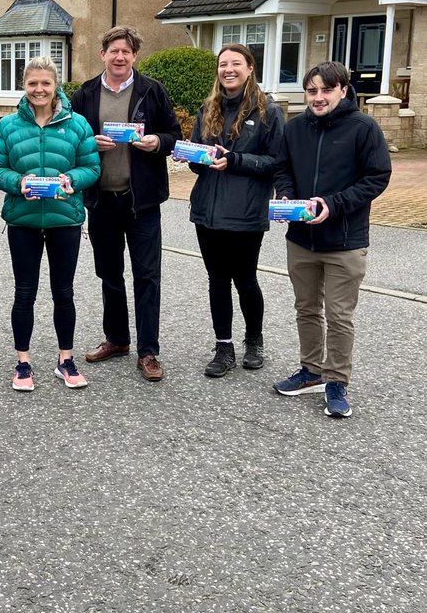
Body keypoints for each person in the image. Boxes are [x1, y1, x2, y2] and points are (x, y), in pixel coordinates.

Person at [272, 61, 391, 418]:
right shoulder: (295, 128)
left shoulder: (364, 127)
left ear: (343, 90)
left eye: (326, 90)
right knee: (306, 308)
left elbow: (377, 177)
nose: (318, 97)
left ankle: (337, 380)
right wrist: (287, 197)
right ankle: (311, 371)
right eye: (312, 91)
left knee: (339, 315)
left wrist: (333, 205)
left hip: (345, 240)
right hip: (302, 239)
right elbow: (283, 168)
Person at [70, 26, 181, 382]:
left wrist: (156, 141)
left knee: (147, 276)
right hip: (101, 199)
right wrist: (90, 145)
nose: (120, 57)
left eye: (127, 52)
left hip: (142, 201)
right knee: (109, 274)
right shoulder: (85, 94)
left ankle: (148, 351)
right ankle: (117, 339)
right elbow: (71, 139)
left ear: (135, 56)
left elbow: (174, 135)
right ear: (102, 54)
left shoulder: (152, 90)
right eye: (114, 50)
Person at [0, 57, 100, 391]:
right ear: (25, 86)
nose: (39, 90)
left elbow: (92, 168)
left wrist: (71, 179)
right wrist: (17, 182)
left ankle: (65, 360)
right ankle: (23, 363)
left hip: (65, 220)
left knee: (63, 292)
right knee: (24, 293)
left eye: (45, 84)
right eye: (32, 83)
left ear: (56, 87)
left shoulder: (78, 124)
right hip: (23, 221)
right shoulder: (7, 126)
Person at [188, 44, 284, 377]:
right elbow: (198, 162)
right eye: (223, 64)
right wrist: (194, 157)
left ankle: (254, 341)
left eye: (236, 64)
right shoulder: (208, 108)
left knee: (244, 279)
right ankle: (223, 346)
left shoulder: (268, 110)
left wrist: (236, 159)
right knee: (217, 281)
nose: (228, 69)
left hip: (245, 212)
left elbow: (277, 162)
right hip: (207, 210)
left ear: (250, 68)